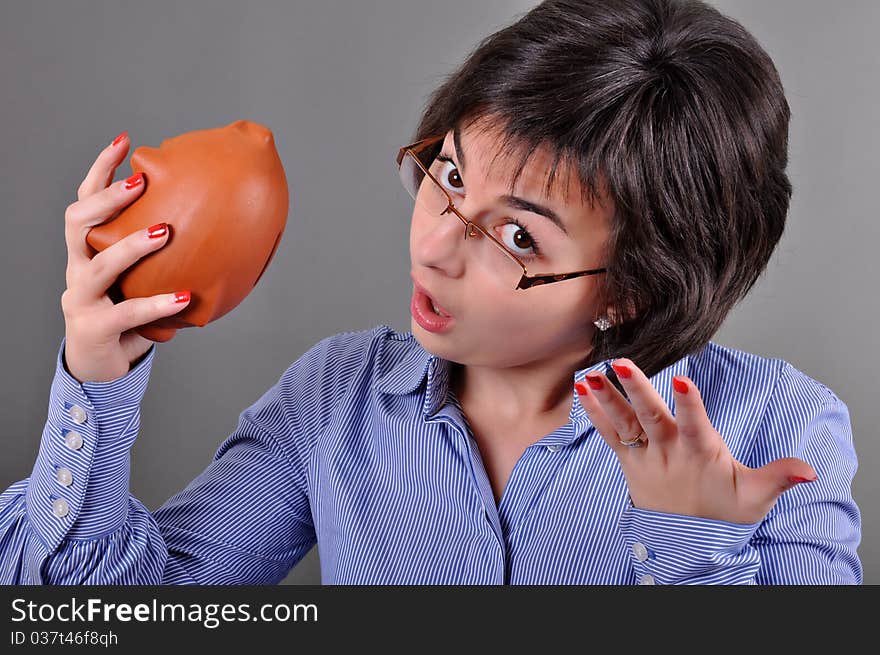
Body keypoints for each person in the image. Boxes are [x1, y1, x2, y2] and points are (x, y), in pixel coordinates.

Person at [0, 0, 861, 584]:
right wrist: (97, 386)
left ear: (632, 289)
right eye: (448, 174)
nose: (435, 244)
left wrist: (692, 546)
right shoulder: (333, 400)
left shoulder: (781, 431)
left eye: (518, 235)